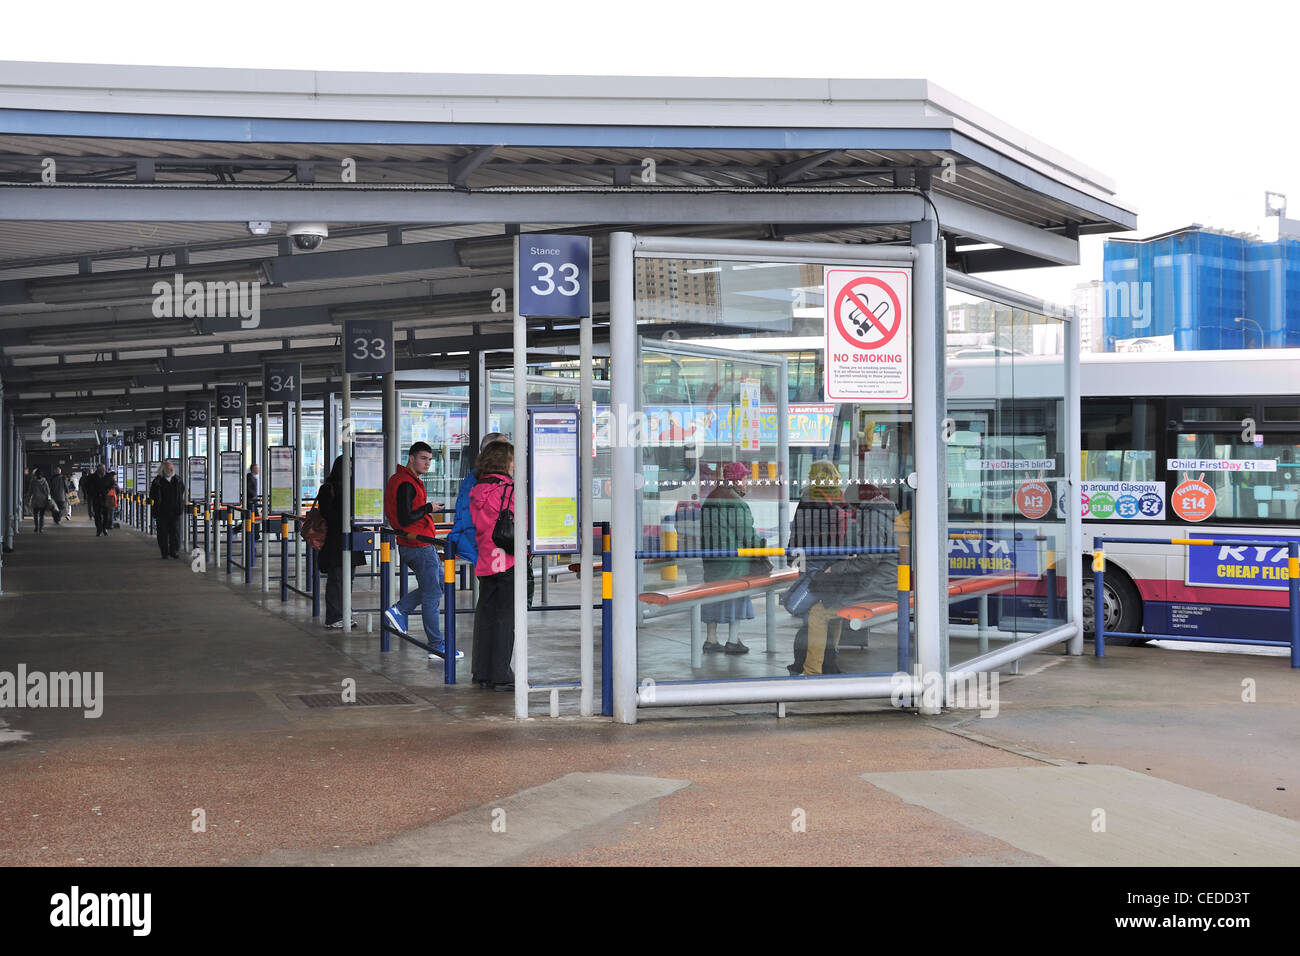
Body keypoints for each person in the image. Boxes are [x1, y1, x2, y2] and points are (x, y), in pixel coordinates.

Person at [789, 471, 899, 676]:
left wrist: (836, 568)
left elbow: (871, 558)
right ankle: (828, 665)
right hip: (888, 582)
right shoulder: (886, 511)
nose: (850, 510)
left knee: (818, 613)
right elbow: (874, 554)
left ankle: (811, 671)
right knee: (832, 604)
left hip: (878, 587)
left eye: (850, 505)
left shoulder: (872, 516)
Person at [382, 442, 461, 661]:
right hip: (417, 545)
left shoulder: (400, 480)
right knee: (433, 593)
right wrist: (429, 508)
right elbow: (407, 517)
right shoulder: (406, 482)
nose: (427, 463)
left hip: (415, 544)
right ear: (411, 458)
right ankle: (436, 646)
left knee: (437, 584)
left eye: (430, 459)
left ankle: (401, 610)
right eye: (423, 458)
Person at [468, 441, 519, 690]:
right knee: (505, 619)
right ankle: (501, 674)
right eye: (512, 459)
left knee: (486, 616)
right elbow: (521, 524)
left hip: (487, 559)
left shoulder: (478, 489)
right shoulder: (509, 488)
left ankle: (482, 671)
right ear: (505, 461)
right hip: (508, 559)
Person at [699, 460, 764, 654]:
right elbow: (746, 534)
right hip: (733, 561)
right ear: (736, 480)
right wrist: (761, 547)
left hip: (712, 560)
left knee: (713, 596)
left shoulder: (711, 497)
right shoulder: (735, 502)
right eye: (744, 478)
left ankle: (711, 638)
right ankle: (733, 640)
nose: (746, 483)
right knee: (737, 596)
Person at [315, 455, 367, 629]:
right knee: (336, 578)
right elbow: (327, 514)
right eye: (348, 467)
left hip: (350, 538)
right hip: (335, 541)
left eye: (352, 468)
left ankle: (345, 611)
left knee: (348, 578)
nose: (351, 471)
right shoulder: (328, 488)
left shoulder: (353, 488)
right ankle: (334, 616)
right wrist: (347, 518)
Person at [445, 432, 505, 571]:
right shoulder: (478, 481)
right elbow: (470, 521)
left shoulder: (489, 478)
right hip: (484, 549)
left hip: (489, 549)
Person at [150, 460, 187, 559]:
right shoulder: (157, 481)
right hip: (162, 512)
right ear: (163, 469)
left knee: (174, 532)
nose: (171, 470)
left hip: (175, 511)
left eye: (172, 468)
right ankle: (164, 552)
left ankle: (173, 551)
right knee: (163, 533)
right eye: (169, 468)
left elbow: (182, 491)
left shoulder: (178, 480)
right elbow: (152, 494)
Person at [25, 467, 51, 533]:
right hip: (43, 500)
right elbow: (48, 491)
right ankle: (41, 528)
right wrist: (49, 499)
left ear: (35, 474)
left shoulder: (32, 482)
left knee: (35, 515)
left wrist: (28, 499)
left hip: (35, 500)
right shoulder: (44, 482)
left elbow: (30, 492)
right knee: (42, 515)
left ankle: (36, 527)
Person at [91, 464, 112, 536]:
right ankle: (99, 529)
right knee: (97, 515)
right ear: (98, 470)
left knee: (106, 515)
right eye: (102, 469)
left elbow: (113, 485)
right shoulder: (93, 477)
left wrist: (108, 490)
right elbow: (87, 486)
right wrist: (92, 493)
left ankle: (104, 528)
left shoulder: (108, 476)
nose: (104, 470)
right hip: (96, 498)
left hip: (106, 498)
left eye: (104, 469)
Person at [246, 463, 261, 541]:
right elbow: (248, 489)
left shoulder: (253, 477)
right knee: (255, 518)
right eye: (257, 468)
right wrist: (253, 496)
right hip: (251, 502)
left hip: (253, 502)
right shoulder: (249, 477)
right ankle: (256, 536)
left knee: (252, 519)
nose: (258, 470)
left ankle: (256, 535)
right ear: (253, 469)